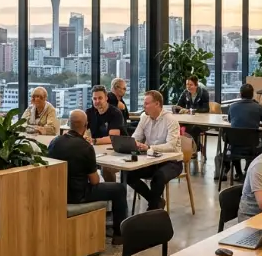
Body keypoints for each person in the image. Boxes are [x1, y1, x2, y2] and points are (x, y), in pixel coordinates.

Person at [48, 110, 127, 244]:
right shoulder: (86, 147)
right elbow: (94, 181)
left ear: (69, 124)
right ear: (86, 126)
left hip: (59, 192)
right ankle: (119, 235)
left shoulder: (55, 142)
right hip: (78, 194)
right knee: (119, 189)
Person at [127, 91, 184, 211]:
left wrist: (150, 148)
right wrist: (133, 143)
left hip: (172, 161)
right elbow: (135, 137)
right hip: (151, 160)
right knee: (129, 175)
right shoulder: (144, 118)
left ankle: (152, 210)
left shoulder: (170, 120)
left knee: (158, 177)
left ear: (157, 104)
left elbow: (172, 146)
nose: (144, 106)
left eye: (147, 103)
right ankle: (156, 201)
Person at [176, 76, 211, 158]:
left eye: (191, 85)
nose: (188, 86)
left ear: (196, 85)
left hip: (202, 122)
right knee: (179, 126)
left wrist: (191, 110)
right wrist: (179, 109)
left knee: (193, 128)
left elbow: (206, 109)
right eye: (187, 84)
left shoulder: (203, 93)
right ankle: (184, 148)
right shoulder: (185, 93)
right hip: (189, 120)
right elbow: (179, 106)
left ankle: (193, 149)